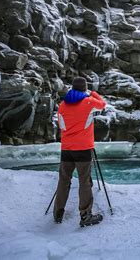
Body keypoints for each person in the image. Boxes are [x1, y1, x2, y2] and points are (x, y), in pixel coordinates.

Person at [53, 76, 107, 227]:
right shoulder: (88, 102)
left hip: (66, 148)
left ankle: (58, 214)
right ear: (84, 88)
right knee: (84, 181)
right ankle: (85, 216)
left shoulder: (62, 105)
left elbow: (62, 125)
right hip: (83, 148)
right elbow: (103, 105)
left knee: (64, 180)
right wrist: (93, 93)